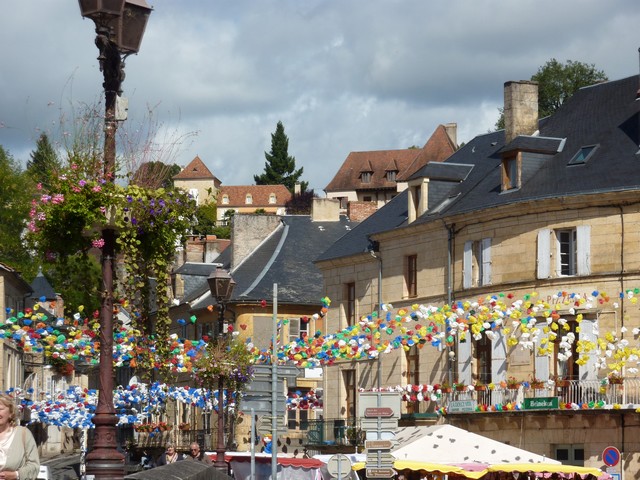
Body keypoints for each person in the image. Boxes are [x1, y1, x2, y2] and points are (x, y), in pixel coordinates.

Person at [0, 394, 40, 480]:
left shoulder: (23, 434)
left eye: (0, 409)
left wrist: (16, 475)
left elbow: (34, 466)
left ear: (11, 413)